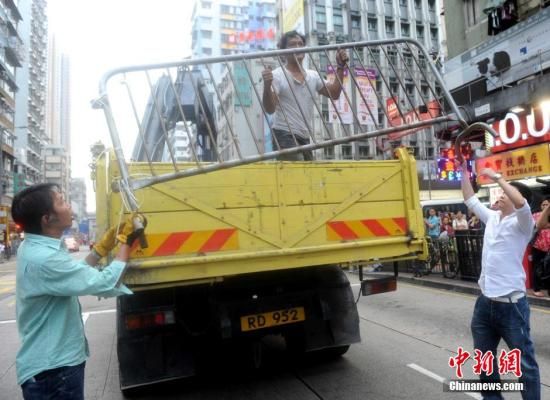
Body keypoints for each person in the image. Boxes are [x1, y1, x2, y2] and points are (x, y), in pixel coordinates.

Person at [12, 183, 145, 400]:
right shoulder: (45, 258)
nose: (69, 207)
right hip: (54, 372)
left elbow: (72, 276)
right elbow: (106, 283)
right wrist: (127, 243)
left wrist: (101, 249)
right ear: (47, 218)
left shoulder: (37, 248)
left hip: (51, 369)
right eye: (61, 202)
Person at [460, 162, 540, 399]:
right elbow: (470, 199)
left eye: (505, 193)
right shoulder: (493, 218)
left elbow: (522, 204)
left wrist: (497, 177)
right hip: (485, 304)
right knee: (484, 360)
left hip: (512, 306)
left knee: (525, 364)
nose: (500, 195)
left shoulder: (524, 224)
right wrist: (463, 173)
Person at [262, 30, 348, 160]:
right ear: (283, 52)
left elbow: (335, 93)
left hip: (304, 136)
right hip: (284, 134)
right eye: (292, 45)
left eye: (300, 44)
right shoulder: (278, 75)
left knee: (308, 175)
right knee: (299, 170)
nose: (297, 47)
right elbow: (270, 108)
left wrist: (341, 66)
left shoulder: (313, 75)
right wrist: (267, 85)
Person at [532, 197, 550, 297]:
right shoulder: (536, 215)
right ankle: (536, 288)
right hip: (538, 246)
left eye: (547, 204)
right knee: (537, 267)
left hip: (549, 247)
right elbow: (538, 225)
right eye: (543, 204)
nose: (545, 206)